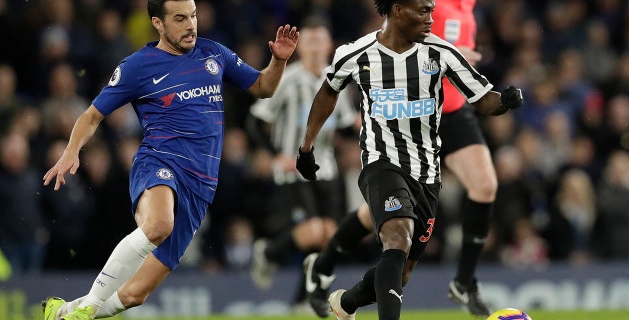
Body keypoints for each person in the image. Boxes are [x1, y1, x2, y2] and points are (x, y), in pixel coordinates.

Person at [41, 0, 299, 319]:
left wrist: (278, 60)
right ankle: (88, 308)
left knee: (136, 294)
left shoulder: (213, 53)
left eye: (192, 16)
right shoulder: (138, 66)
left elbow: (263, 86)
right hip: (158, 163)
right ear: (158, 23)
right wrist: (71, 151)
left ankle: (65, 312)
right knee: (159, 224)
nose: (191, 24)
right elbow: (92, 115)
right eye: (180, 19)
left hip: (201, 185)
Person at [295, 0, 523, 319]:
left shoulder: (440, 52)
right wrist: (307, 147)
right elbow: (328, 93)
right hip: (381, 161)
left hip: (427, 173)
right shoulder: (356, 53)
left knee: (400, 273)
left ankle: (344, 304)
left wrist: (506, 101)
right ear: (398, 10)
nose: (432, 19)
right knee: (397, 236)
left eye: (432, 10)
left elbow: (483, 100)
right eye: (424, 11)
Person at [246, 16, 357, 310]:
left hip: (327, 167)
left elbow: (344, 126)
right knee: (314, 230)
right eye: (310, 41)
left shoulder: (337, 80)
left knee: (330, 236)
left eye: (321, 41)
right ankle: (268, 253)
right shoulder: (288, 79)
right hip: (293, 167)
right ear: (300, 47)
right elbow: (256, 121)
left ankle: (302, 300)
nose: (316, 47)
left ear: (330, 45)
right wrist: (274, 154)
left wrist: (358, 126)